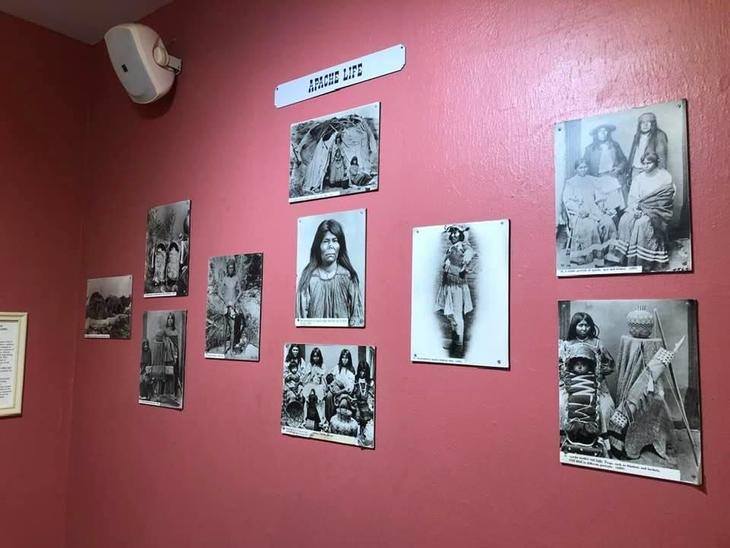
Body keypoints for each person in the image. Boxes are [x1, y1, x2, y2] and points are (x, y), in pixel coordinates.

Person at [559, 312, 615, 453]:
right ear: (574, 326)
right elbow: (558, 365)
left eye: (586, 325)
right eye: (580, 325)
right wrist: (568, 375)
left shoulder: (597, 343)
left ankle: (602, 440)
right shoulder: (566, 344)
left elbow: (610, 365)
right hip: (570, 382)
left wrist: (597, 372)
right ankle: (566, 438)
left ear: (591, 326)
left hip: (595, 382)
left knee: (605, 406)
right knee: (562, 403)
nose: (584, 328)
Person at [609, 152, 675, 270]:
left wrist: (646, 211)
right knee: (625, 220)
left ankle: (642, 261)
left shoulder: (665, 176)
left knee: (641, 224)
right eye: (643, 163)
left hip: (656, 211)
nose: (645, 166)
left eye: (649, 163)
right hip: (640, 207)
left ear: (656, 162)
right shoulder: (639, 178)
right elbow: (633, 197)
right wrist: (635, 209)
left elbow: (666, 197)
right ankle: (624, 258)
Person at [296, 219, 364, 327]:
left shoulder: (348, 277)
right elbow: (300, 320)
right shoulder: (309, 278)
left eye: (334, 240)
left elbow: (357, 319)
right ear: (318, 246)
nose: (330, 245)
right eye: (326, 241)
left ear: (340, 245)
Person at [562, 160, 618, 267]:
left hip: (594, 209)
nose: (583, 170)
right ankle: (592, 256)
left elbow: (599, 196)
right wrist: (578, 210)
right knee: (590, 226)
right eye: (580, 168)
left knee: (608, 222)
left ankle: (608, 253)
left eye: (585, 167)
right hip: (579, 212)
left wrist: (602, 206)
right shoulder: (571, 182)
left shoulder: (592, 180)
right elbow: (567, 201)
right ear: (576, 169)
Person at [435, 225, 476, 358]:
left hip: (457, 286)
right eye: (451, 233)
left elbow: (469, 253)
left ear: (461, 234)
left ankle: (459, 346)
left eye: (456, 232)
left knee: (457, 316)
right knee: (451, 315)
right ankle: (455, 341)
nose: (453, 235)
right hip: (448, 285)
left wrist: (465, 264)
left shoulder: (463, 247)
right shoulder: (451, 249)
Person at [582, 123, 627, 209]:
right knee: (601, 206)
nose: (603, 133)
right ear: (596, 134)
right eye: (600, 131)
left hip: (612, 177)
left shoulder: (614, 145)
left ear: (608, 133)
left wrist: (618, 169)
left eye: (605, 131)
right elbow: (585, 165)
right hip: (597, 179)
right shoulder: (590, 149)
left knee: (614, 205)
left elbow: (623, 160)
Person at [626, 112, 668, 185]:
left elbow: (662, 158)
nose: (645, 125)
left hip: (650, 171)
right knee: (636, 191)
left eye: (648, 122)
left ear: (653, 124)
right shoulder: (637, 136)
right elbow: (632, 156)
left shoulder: (659, 135)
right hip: (635, 170)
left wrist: (660, 176)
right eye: (642, 122)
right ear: (639, 125)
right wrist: (629, 172)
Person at [218, 258, 246, 354]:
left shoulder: (236, 278)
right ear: (227, 268)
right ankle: (224, 349)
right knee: (225, 328)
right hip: (226, 306)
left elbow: (240, 292)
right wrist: (225, 301)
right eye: (229, 268)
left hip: (233, 306)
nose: (231, 269)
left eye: (232, 268)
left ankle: (231, 350)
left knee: (233, 329)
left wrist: (235, 301)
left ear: (234, 269)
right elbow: (219, 292)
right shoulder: (225, 279)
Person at [162, 313, 180, 400]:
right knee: (165, 374)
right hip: (166, 356)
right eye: (168, 318)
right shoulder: (164, 331)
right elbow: (162, 344)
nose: (170, 320)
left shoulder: (175, 331)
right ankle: (165, 393)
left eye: (171, 318)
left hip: (173, 356)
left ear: (173, 320)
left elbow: (176, 346)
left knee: (173, 374)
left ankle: (173, 393)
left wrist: (175, 356)